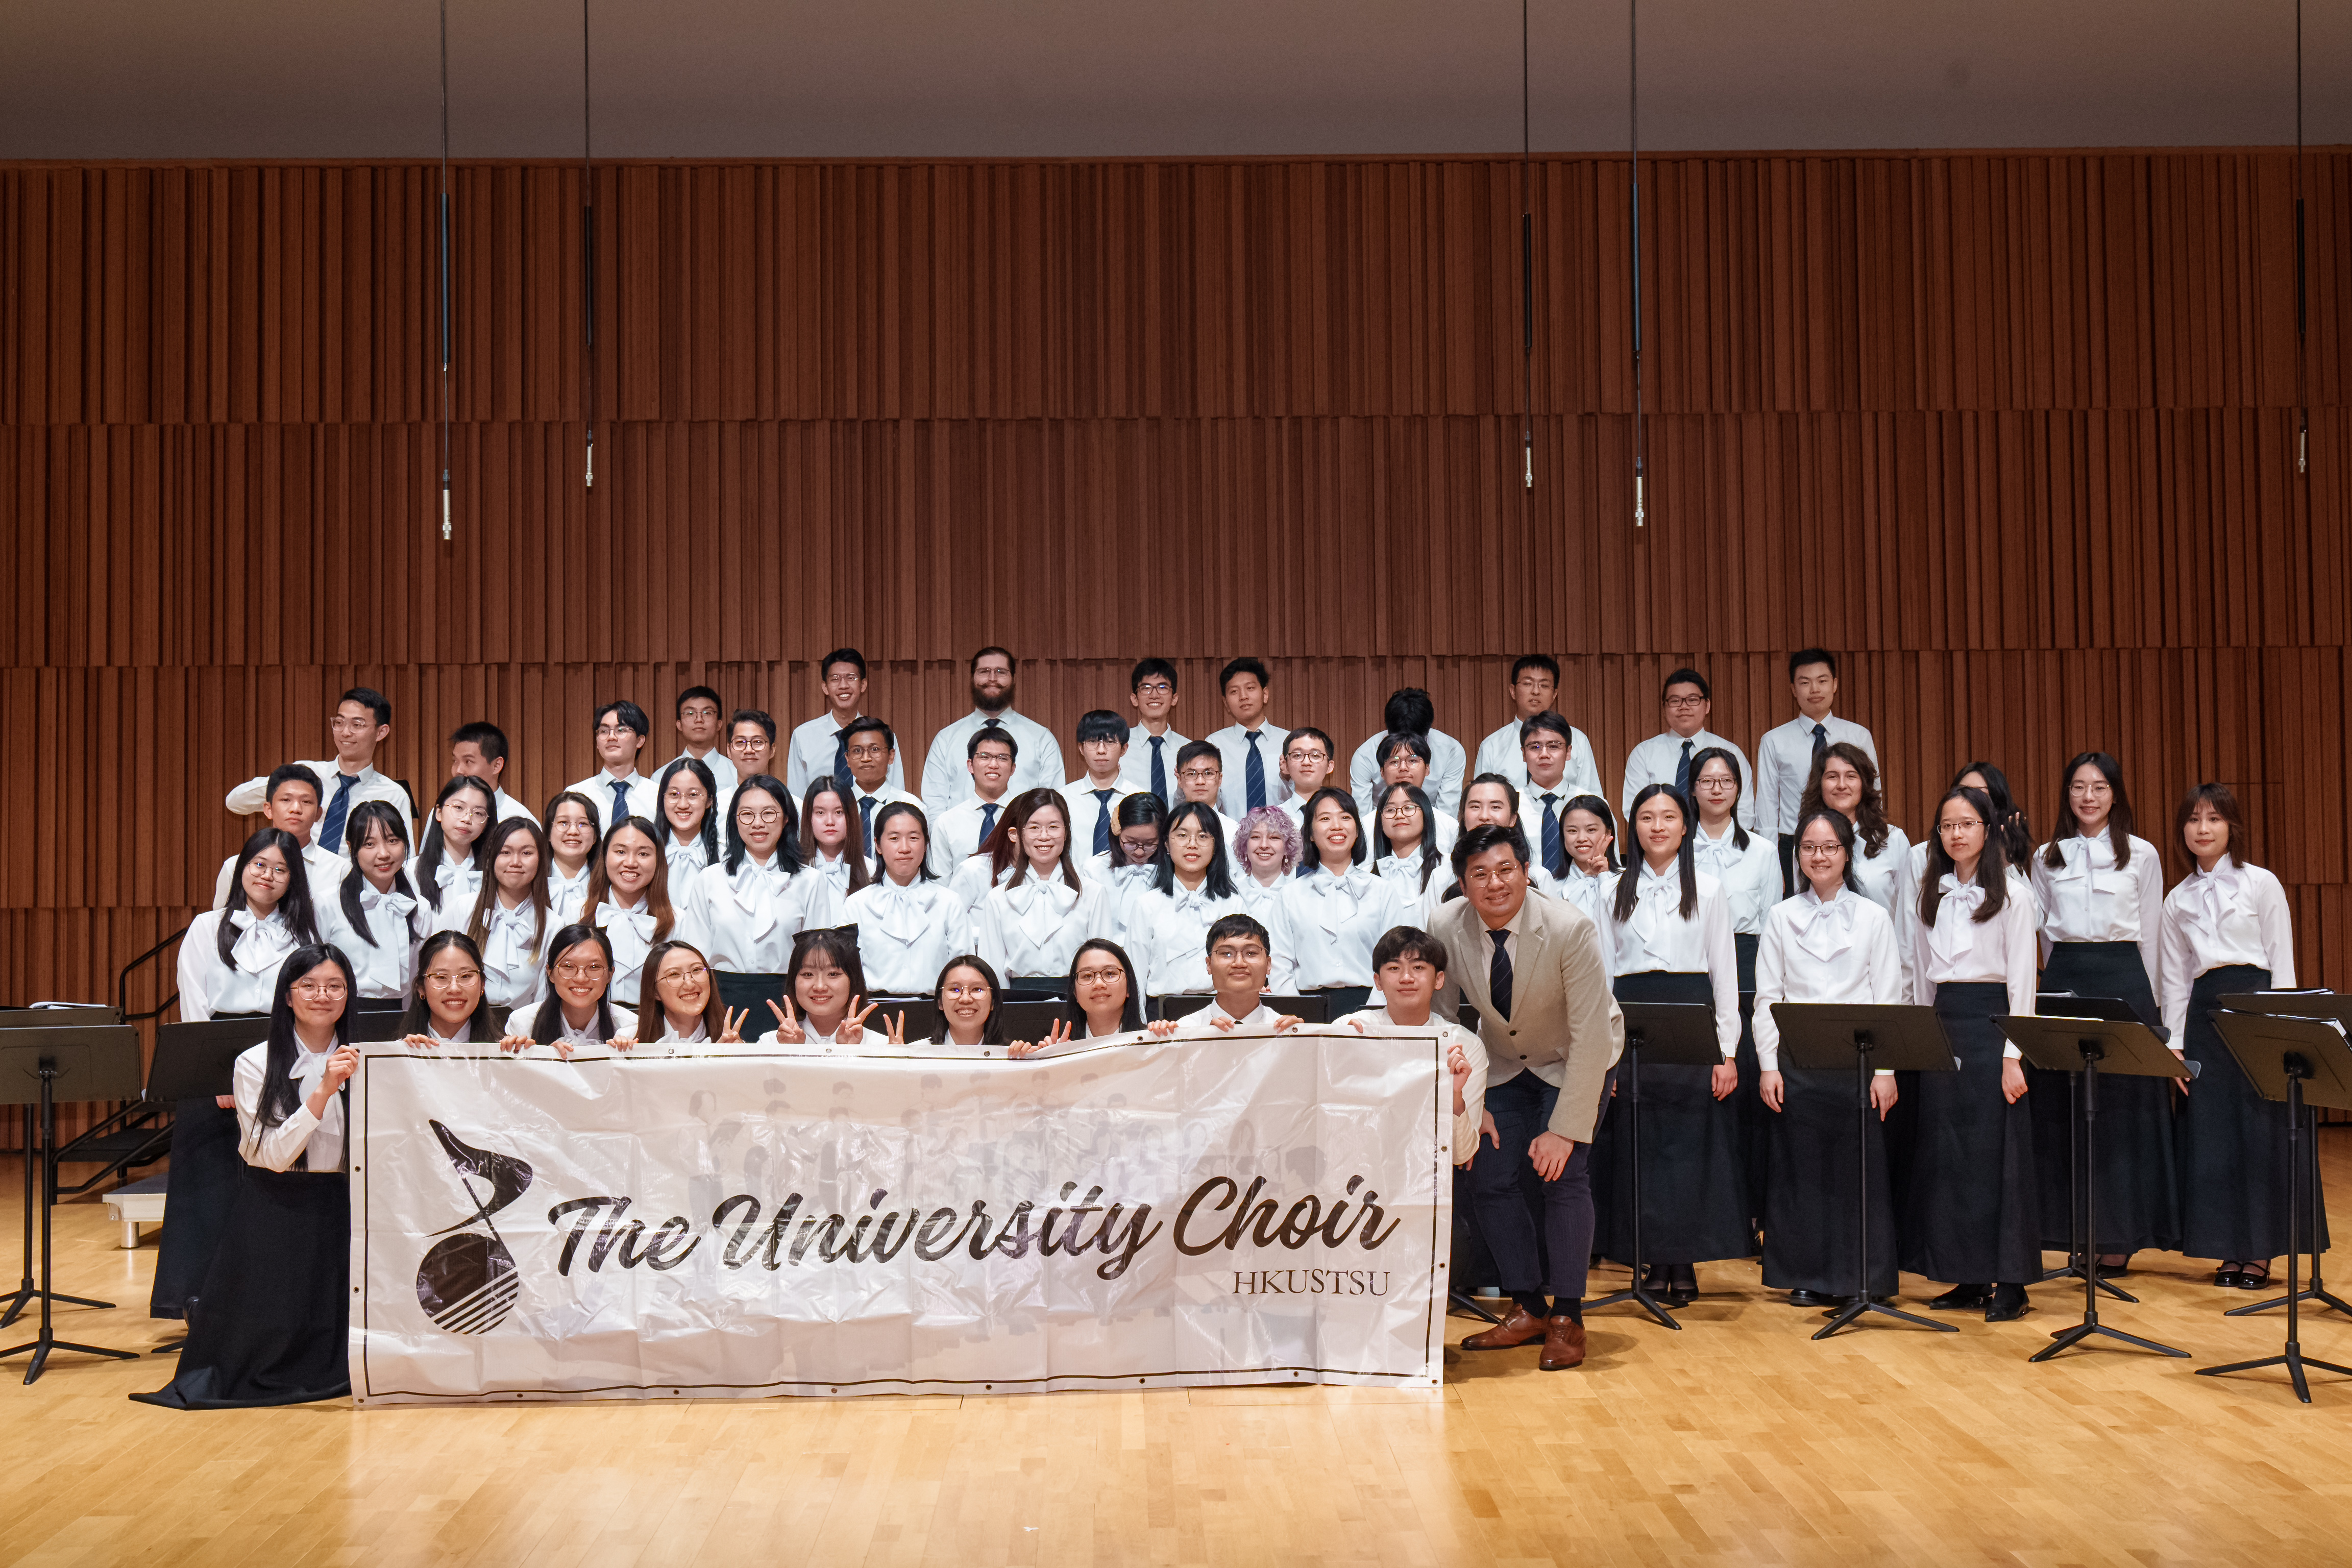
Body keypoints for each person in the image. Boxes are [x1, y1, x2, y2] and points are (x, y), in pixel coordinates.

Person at [1432, 823, 1625, 1371]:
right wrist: (1472, 1099)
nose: (1495, 884)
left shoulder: (1570, 927)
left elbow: (1591, 1035)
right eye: (1480, 875)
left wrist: (1564, 1128)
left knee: (1565, 1176)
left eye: (1506, 870)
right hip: (1503, 1065)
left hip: (1575, 1058)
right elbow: (1443, 1020)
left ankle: (1568, 1317)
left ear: (1525, 872)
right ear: (1463, 884)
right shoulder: (1445, 924)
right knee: (1489, 1176)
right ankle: (1528, 1307)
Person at [132, 946, 361, 1409]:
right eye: (310, 986)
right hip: (274, 1204)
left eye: (335, 986)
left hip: (342, 1204)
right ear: (287, 996)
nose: (323, 996)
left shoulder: (366, 1058)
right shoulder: (255, 1062)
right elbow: (270, 1154)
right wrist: (322, 1091)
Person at [1591, 784, 1746, 1305]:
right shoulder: (1611, 889)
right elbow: (1601, 978)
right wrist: (1603, 1057)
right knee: (1644, 1146)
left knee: (1689, 1148)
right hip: (1633, 1021)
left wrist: (1727, 1051)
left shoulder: (1709, 885)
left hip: (1691, 1015)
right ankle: (1652, 1262)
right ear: (1633, 827)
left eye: (1669, 817)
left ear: (1686, 826)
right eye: (1647, 817)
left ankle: (1683, 1262)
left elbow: (1725, 972)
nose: (1657, 826)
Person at [2028, 752, 2176, 1273]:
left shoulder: (2142, 854)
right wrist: (2063, 979)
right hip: (2068, 979)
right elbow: (2045, 935)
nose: (2087, 797)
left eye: (2098, 787)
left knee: (2120, 1115)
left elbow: (2154, 936)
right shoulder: (2048, 855)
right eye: (2077, 787)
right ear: (2066, 795)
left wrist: (2156, 1013)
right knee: (2067, 1110)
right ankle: (2074, 1229)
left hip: (2124, 981)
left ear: (2115, 794)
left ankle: (2121, 1233)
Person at [1753, 808, 1906, 1307]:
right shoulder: (1781, 915)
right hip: (1796, 1060)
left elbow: (1889, 996)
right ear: (1798, 855)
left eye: (1829, 848)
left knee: (1858, 1173)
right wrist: (1769, 1064)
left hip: (1857, 1059)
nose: (1818, 856)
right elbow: (1767, 997)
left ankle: (1862, 1275)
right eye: (1809, 848)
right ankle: (1808, 1274)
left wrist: (1886, 1071)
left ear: (1846, 853)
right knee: (1802, 1172)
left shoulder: (1873, 916)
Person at [1903, 785, 2041, 1322]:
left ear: (1989, 829)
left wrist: (2014, 1054)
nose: (1956, 834)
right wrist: (1920, 1038)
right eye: (1947, 826)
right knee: (1950, 1156)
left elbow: (2023, 981)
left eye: (1966, 824)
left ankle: (2011, 1281)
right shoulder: (1929, 894)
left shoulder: (2012, 893)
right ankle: (1966, 1274)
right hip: (1945, 1025)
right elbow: (1920, 977)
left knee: (1997, 1157)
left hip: (1993, 1026)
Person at [2162, 783, 2304, 1291]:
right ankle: (2227, 1249)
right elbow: (2175, 979)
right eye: (2194, 819)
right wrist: (2174, 1044)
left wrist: (2285, 1027)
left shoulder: (2261, 884)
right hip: (2205, 1018)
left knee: (2258, 1132)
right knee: (2213, 1136)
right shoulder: (2177, 899)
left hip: (2258, 1008)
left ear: (2231, 827)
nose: (2203, 829)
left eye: (2214, 819)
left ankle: (2260, 1252)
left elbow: (2281, 960)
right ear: (2184, 830)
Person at [1686, 747, 1782, 1231]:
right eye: (1707, 781)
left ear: (1740, 789)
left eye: (1726, 781)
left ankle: (1755, 1214)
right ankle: (1711, 1213)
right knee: (1707, 1096)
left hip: (1747, 966)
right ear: (1694, 788)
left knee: (1747, 1094)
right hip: (1695, 968)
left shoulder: (1763, 851)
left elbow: (1772, 922)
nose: (1718, 789)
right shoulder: (1679, 846)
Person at [1338, 927, 1489, 1167]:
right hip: (1355, 1168)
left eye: (1418, 968)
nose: (1406, 978)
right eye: (1394, 968)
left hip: (1426, 1178)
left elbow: (1461, 1155)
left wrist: (1455, 1097)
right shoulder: (1350, 1031)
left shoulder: (1466, 1047)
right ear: (1377, 980)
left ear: (1439, 979)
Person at [674, 775, 833, 977]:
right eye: (747, 814)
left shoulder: (810, 881)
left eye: (768, 814)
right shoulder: (709, 879)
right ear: (735, 820)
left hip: (788, 996)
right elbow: (696, 957)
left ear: (786, 818)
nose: (758, 823)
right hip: (721, 997)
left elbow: (817, 960)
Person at [224, 687, 412, 854]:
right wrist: (285, 782)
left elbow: (403, 858)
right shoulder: (307, 774)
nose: (345, 732)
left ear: (381, 732)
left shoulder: (393, 794)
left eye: (357, 725)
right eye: (339, 722)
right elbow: (236, 803)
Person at [1752, 650, 1880, 895]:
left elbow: (1873, 793)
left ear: (1834, 685)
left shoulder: (1859, 736)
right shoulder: (1774, 740)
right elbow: (1767, 807)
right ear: (1793, 689)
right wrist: (1770, 864)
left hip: (1851, 839)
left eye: (1822, 681)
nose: (1814, 689)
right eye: (1805, 682)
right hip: (1795, 843)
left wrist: (1872, 841)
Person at [1278, 788, 1408, 1016]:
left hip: (1372, 1010)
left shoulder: (1383, 891)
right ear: (1309, 833)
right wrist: (1295, 1014)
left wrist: (1372, 1014)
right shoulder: (1290, 895)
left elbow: (1395, 960)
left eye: (1345, 817)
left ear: (1357, 830)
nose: (1336, 826)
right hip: (1306, 1011)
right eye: (1325, 818)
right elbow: (1280, 963)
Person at [973, 790, 1116, 993]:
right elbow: (992, 970)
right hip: (1017, 1003)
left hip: (1080, 1000)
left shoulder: (1093, 894)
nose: (1044, 836)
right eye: (1034, 827)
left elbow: (1102, 964)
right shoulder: (997, 898)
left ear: (1066, 833)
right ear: (1016, 835)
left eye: (1053, 827)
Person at [1798, 744, 1915, 984]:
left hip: (1881, 966)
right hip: (1819, 968)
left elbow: (1907, 918)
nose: (1842, 785)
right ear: (1819, 785)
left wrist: (1906, 983)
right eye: (1832, 777)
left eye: (1851, 776)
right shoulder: (1805, 842)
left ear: (1864, 784)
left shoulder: (1894, 840)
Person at [179, 829, 321, 1019]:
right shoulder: (206, 926)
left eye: (280, 870)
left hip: (282, 1040)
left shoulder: (305, 935)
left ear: (292, 879)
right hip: (216, 1039)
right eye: (260, 865)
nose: (267, 876)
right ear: (242, 867)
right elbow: (192, 999)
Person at [1121, 801, 1250, 1002]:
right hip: (1162, 1018)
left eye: (1203, 836)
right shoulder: (1147, 905)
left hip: (1222, 1013)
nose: (1192, 844)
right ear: (1166, 844)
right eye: (1182, 835)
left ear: (1216, 845)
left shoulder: (1233, 904)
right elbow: (1135, 975)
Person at [844, 802, 965, 997]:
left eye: (914, 838)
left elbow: (963, 968)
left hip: (937, 1010)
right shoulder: (856, 904)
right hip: (873, 1011)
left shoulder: (949, 902)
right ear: (878, 845)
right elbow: (847, 970)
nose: (905, 848)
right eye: (894, 838)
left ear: (926, 844)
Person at [921, 647, 1065, 806]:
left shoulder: (1041, 738)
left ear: (1013, 679)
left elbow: (1052, 801)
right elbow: (934, 803)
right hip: (960, 832)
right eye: (984, 671)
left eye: (1000, 671)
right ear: (972, 678)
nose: (992, 678)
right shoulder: (946, 739)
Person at [314, 802, 425, 1007]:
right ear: (351, 848)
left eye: (393, 840)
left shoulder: (420, 907)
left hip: (405, 1014)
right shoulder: (327, 904)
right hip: (343, 1012)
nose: (383, 854)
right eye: (369, 844)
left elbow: (421, 974)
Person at [1621, 668, 1755, 831]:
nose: (1684, 707)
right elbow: (1634, 811)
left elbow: (1744, 811)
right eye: (1675, 701)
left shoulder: (1730, 753)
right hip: (1662, 846)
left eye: (1692, 700)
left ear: (1707, 706)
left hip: (1720, 850)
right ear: (1664, 708)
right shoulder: (1644, 753)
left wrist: (1719, 846)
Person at [211, 765, 347, 910]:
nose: (296, 809)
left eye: (306, 802)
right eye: (286, 800)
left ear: (318, 815)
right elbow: (221, 924)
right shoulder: (236, 866)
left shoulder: (340, 870)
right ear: (268, 810)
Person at [574, 817, 674, 1008]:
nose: (630, 862)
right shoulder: (575, 912)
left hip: (654, 1028)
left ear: (659, 861)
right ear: (604, 856)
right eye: (621, 852)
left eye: (643, 854)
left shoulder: (678, 921)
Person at [1475, 655, 1602, 798]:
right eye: (1528, 683)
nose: (1536, 691)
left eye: (1544, 685)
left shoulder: (1577, 739)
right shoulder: (1492, 745)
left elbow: (1593, 799)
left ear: (1554, 694)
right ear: (1513, 691)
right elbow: (1481, 799)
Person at [788, 649, 906, 796]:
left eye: (851, 678)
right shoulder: (803, 736)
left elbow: (896, 791)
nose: (843, 685)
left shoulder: (880, 736)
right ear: (825, 687)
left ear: (863, 685)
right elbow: (796, 797)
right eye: (835, 679)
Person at [463, 816, 552, 1009]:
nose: (515, 862)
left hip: (524, 1031)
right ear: (491, 857)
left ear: (541, 859)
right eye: (505, 852)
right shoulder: (462, 910)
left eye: (526, 853)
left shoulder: (553, 925)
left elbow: (544, 997)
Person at [1171, 916, 1303, 1036]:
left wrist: (1302, 1041)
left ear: (1269, 965)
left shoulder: (1288, 1031)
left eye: (1251, 953)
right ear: (1209, 964)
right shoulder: (1183, 1032)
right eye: (1227, 954)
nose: (1239, 963)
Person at [1348, 688, 1468, 818]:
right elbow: (1363, 816)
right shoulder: (1364, 756)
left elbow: (1447, 812)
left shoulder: (1452, 751)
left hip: (1432, 822)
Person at [762, 927, 889, 1049]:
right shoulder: (769, 1044)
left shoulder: (881, 1046)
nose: (820, 986)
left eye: (833, 974)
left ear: (854, 980)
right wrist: (791, 1053)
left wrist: (900, 1060)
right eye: (808, 974)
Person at [501, 925, 620, 1055]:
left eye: (594, 967)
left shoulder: (628, 1027)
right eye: (568, 966)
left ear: (610, 974)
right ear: (550, 973)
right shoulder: (522, 1024)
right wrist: (541, 1057)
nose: (581, 978)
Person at [618, 941, 751, 1050]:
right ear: (655, 992)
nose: (689, 984)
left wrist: (734, 1059)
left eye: (697, 970)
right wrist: (619, 1056)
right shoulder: (630, 1040)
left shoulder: (731, 1042)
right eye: (674, 974)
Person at [928, 729, 1020, 878]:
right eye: (985, 757)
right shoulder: (947, 823)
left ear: (1012, 768)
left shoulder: (1027, 817)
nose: (993, 764)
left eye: (1002, 758)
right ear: (970, 765)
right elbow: (941, 884)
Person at [1206, 658, 1288, 818]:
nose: (1243, 696)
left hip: (1284, 838)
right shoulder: (1214, 744)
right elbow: (1210, 802)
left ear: (1265, 694)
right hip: (1233, 839)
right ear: (1226, 703)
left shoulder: (1290, 742)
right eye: (1234, 691)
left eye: (1250, 688)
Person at [1514, 714, 1588, 883]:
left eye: (1554, 746)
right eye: (1535, 747)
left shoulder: (1591, 805)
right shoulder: (1510, 806)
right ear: (1524, 754)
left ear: (1568, 752)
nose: (1544, 754)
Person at [414, 774, 496, 926]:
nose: (467, 819)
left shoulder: (494, 874)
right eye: (458, 808)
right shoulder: (411, 871)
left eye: (478, 813)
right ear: (439, 812)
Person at [1059, 710, 1139, 862]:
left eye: (1110, 742)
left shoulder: (1140, 798)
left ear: (1124, 748)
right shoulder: (1063, 798)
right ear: (1081, 748)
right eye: (1093, 742)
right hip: (1075, 885)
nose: (1101, 750)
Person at [565, 700, 658, 830]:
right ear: (597, 743)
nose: (611, 737)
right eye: (604, 731)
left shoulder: (658, 796)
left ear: (640, 740)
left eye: (620, 730)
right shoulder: (577, 794)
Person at [399, 932, 498, 1046]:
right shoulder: (398, 1054)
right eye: (441, 977)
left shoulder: (502, 1054)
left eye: (465, 976)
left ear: (482, 984)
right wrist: (402, 1058)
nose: (454, 988)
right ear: (421, 988)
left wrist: (518, 1058)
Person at [1371, 782, 1449, 918]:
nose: (1399, 815)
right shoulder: (1366, 874)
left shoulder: (1448, 867)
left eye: (1409, 808)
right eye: (1390, 810)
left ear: (1426, 813)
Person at [840, 718, 921, 847]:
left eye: (875, 749)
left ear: (891, 755)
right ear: (848, 759)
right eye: (857, 751)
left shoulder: (912, 806)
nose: (866, 758)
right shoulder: (838, 806)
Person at [1120, 658, 1190, 807]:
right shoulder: (1119, 748)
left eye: (1162, 687)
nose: (1154, 695)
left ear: (1174, 698)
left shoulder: (1188, 750)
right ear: (1134, 699)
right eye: (1146, 688)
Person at [799, 776, 874, 903]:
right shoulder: (792, 872)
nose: (830, 822)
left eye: (839, 812)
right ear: (809, 817)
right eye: (820, 813)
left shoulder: (872, 872)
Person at [449, 721, 537, 824]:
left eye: (468, 761)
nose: (458, 771)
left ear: (496, 766)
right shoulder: (445, 812)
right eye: (455, 761)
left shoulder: (520, 821)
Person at [665, 685, 740, 804]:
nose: (699, 719)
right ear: (679, 724)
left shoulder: (736, 774)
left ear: (719, 724)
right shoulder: (661, 776)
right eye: (690, 713)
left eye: (707, 713)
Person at [655, 757, 721, 887]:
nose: (683, 805)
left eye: (693, 795)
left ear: (709, 801)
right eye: (674, 794)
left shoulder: (723, 857)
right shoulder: (646, 855)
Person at [1555, 796, 1621, 924]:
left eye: (1591, 830)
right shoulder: (1553, 886)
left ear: (1608, 832)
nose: (1581, 838)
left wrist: (1604, 876)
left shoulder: (1628, 880)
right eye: (1572, 831)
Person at [928, 955, 1012, 1054]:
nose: (965, 999)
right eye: (955, 990)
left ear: (993, 1002)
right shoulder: (915, 1055)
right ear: (940, 1003)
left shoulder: (1010, 1057)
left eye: (977, 989)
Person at [1233, 805, 1302, 923]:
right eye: (1256, 837)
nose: (1264, 845)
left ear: (1287, 848)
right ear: (1245, 847)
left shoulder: (1301, 896)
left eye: (1274, 837)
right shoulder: (1232, 896)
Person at [542, 791, 602, 925]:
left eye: (583, 824)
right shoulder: (533, 883)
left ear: (595, 837)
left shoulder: (607, 886)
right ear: (548, 834)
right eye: (564, 823)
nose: (573, 831)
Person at [1171, 740, 1242, 845]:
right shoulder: (1169, 830)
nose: (1200, 781)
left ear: (1220, 779)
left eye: (1208, 773)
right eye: (1192, 774)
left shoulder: (1235, 833)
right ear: (1180, 780)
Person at [1275, 728, 1340, 834]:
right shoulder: (1274, 818)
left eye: (1315, 756)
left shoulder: (1343, 815)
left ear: (1329, 766)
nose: (1306, 762)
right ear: (1286, 765)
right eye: (1297, 755)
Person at [726, 709, 781, 786]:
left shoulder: (788, 798)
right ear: (729, 750)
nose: (749, 750)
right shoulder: (718, 798)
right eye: (740, 742)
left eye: (757, 742)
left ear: (772, 750)